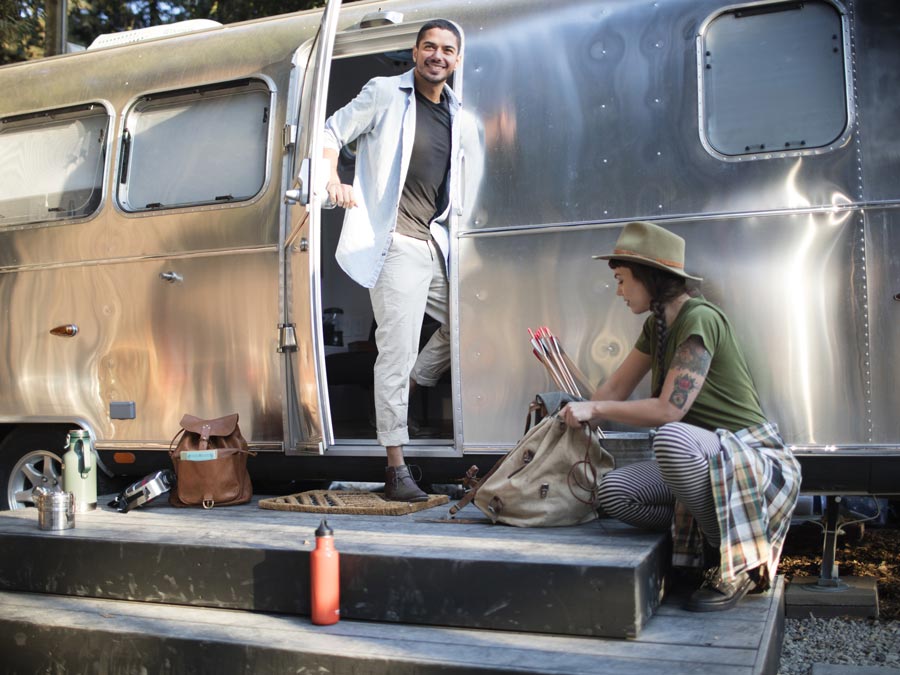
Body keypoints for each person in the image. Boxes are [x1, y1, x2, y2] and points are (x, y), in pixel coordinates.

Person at [561, 221, 801, 612]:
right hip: (700, 460)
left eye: (623, 280)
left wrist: (597, 409)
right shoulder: (655, 325)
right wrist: (568, 417)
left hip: (746, 458)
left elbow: (669, 410)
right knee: (613, 493)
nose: (618, 291)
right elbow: (612, 392)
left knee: (671, 435)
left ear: (652, 280)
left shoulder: (699, 318)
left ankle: (728, 561)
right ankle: (696, 543)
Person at [322, 20, 462, 502]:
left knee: (468, 322)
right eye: (429, 47)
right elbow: (332, 130)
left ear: (456, 60)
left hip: (432, 244)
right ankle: (396, 466)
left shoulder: (456, 113)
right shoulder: (385, 92)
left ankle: (416, 382)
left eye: (447, 49)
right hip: (394, 244)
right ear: (415, 52)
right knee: (394, 353)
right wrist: (331, 179)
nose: (437, 56)